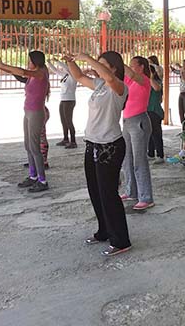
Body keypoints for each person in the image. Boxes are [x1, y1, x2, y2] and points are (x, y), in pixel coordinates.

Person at [66, 51, 131, 257]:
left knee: (108, 194)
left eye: (101, 64)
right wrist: (70, 62)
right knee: (95, 192)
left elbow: (111, 78)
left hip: (109, 146)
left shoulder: (118, 86)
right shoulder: (100, 86)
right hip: (92, 143)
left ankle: (121, 240)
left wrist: (88, 58)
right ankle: (104, 231)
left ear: (113, 67)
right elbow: (78, 77)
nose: (95, 66)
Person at [0, 51, 50, 193]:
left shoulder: (41, 73)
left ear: (36, 62)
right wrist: (2, 67)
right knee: (28, 145)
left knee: (35, 147)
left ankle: (42, 180)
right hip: (28, 112)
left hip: (36, 113)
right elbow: (19, 74)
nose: (28, 63)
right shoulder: (33, 74)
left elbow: (21, 71)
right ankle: (33, 176)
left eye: (29, 60)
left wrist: (3, 64)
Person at [120, 56, 155, 211]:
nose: (130, 67)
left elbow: (132, 74)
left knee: (139, 161)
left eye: (133, 65)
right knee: (127, 159)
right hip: (127, 122)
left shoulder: (144, 80)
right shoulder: (130, 82)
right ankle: (131, 191)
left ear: (141, 67)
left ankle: (146, 197)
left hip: (139, 121)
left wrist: (119, 62)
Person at [47, 59, 78, 149]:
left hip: (69, 100)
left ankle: (73, 141)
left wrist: (57, 61)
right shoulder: (65, 76)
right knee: (63, 120)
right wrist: (49, 63)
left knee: (69, 121)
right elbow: (56, 71)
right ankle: (65, 139)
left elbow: (67, 68)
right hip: (63, 100)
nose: (63, 68)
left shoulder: (73, 76)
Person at [147, 64, 165, 164]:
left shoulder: (157, 82)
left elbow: (157, 88)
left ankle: (160, 155)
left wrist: (149, 77)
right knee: (149, 134)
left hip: (155, 111)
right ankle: (150, 153)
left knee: (156, 134)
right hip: (147, 110)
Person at [171, 58, 185, 126]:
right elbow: (175, 71)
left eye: (184, 64)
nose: (183, 65)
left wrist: (181, 69)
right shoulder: (182, 71)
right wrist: (172, 67)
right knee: (181, 111)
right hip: (181, 92)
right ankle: (183, 126)